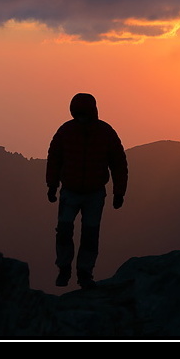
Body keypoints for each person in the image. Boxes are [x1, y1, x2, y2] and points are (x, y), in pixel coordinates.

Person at [46, 92, 128, 289]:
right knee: (64, 231)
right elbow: (54, 159)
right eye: (78, 114)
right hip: (71, 191)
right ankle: (64, 268)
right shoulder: (66, 131)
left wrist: (119, 192)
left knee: (90, 234)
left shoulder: (105, 133)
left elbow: (118, 163)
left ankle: (84, 273)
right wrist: (52, 185)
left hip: (94, 193)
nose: (81, 118)